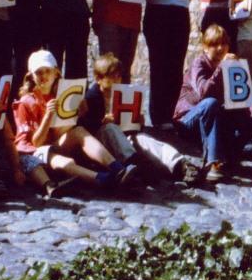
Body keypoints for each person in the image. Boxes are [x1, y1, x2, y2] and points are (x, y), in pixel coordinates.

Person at [12, 50, 134, 197]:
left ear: (56, 73)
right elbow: (36, 143)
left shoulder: (61, 95)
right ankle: (102, 180)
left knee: (78, 131)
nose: (44, 76)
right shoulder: (26, 102)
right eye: (39, 72)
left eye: (47, 71)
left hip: (56, 145)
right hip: (36, 154)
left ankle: (117, 168)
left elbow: (60, 133)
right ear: (31, 75)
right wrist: (48, 117)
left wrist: (77, 115)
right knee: (62, 161)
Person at [79, 54, 193, 184]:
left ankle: (180, 164)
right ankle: (135, 164)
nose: (117, 80)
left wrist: (138, 121)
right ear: (99, 78)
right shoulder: (91, 97)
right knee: (109, 129)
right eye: (111, 76)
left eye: (118, 76)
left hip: (125, 138)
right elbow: (86, 129)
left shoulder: (123, 94)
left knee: (144, 140)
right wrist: (102, 122)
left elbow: (132, 128)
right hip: (104, 145)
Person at [174, 25, 252, 183]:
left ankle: (232, 155)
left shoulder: (232, 65)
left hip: (213, 119)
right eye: (214, 45)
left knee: (251, 115)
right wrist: (221, 68)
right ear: (205, 47)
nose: (220, 48)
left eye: (224, 44)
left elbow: (242, 95)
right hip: (188, 119)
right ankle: (213, 162)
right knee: (211, 103)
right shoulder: (199, 63)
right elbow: (204, 94)